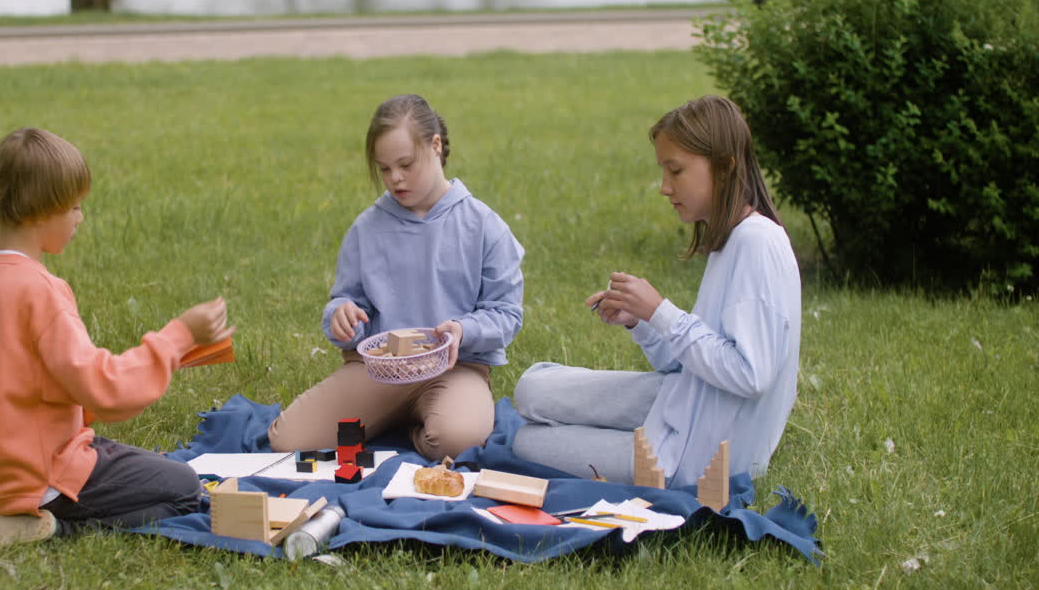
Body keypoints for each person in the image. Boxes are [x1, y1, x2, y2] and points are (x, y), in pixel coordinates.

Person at [0, 127, 235, 550]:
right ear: (41, 210)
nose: (80, 218)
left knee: (151, 466)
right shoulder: (40, 291)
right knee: (184, 486)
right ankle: (44, 527)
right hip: (45, 479)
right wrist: (180, 335)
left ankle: (1, 514)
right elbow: (105, 388)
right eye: (75, 207)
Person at [512, 95, 800, 488]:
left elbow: (750, 376)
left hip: (692, 458)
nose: (665, 188)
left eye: (676, 171)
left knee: (527, 441)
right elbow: (694, 362)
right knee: (531, 389)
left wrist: (662, 311)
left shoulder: (757, 243)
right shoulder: (733, 240)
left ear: (724, 165)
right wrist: (644, 321)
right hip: (683, 400)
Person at [268, 94, 524, 461]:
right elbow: (347, 300)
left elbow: (507, 316)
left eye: (405, 164)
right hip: (377, 371)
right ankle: (388, 417)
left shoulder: (484, 226)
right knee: (289, 441)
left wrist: (462, 331)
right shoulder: (368, 227)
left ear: (436, 146)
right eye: (384, 169)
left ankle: (408, 424)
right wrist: (341, 315)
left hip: (456, 370)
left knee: (459, 442)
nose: (395, 178)